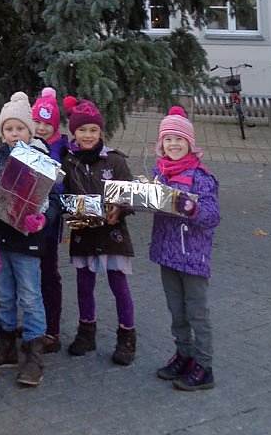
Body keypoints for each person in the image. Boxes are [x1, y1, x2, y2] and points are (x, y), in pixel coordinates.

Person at [0, 91, 55, 388]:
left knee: (31, 297)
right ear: (2, 132)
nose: (14, 133)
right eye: (8, 128)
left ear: (30, 131)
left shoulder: (41, 159)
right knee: (5, 295)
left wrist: (44, 220)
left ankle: (34, 355)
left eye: (20, 128)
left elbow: (54, 200)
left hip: (27, 242)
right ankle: (6, 346)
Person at [149, 107, 220, 391]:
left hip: (192, 257)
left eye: (179, 139)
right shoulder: (160, 172)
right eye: (168, 139)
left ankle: (204, 365)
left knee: (196, 313)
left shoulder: (200, 177)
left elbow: (212, 216)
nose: (173, 144)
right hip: (167, 254)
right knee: (176, 310)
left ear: (189, 143)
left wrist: (192, 208)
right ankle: (184, 355)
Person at [61, 99, 136, 365]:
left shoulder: (114, 161)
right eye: (82, 130)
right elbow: (62, 195)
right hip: (84, 234)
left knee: (119, 285)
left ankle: (127, 337)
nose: (88, 135)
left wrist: (120, 209)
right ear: (74, 132)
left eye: (93, 130)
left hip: (113, 234)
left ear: (100, 131)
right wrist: (70, 209)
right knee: (84, 285)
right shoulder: (68, 162)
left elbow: (132, 195)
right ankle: (86, 332)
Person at [32, 86, 68, 353]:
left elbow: (61, 188)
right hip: (26, 224)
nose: (41, 128)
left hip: (49, 226)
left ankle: (52, 330)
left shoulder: (61, 150)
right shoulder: (27, 143)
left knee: (48, 277)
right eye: (37, 122)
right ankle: (35, 325)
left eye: (47, 124)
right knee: (29, 277)